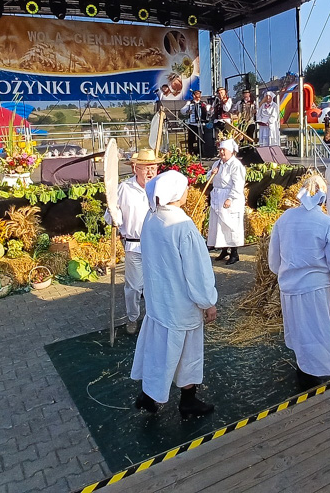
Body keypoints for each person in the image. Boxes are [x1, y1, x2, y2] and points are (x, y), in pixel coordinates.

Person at [131, 170, 218, 417]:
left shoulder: (151, 217)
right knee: (187, 353)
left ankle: (148, 396)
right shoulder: (182, 226)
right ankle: (187, 401)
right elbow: (198, 271)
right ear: (176, 193)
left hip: (159, 301)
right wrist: (208, 302)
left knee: (159, 350)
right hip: (182, 305)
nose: (187, 192)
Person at [268, 175, 330, 389]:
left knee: (299, 329)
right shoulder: (325, 222)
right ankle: (311, 376)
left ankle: (303, 368)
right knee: (317, 331)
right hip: (315, 288)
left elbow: (274, 256)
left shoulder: (285, 218)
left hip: (290, 288)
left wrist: (283, 273)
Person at [104, 148, 162, 334]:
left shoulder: (161, 187)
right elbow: (110, 214)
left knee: (158, 284)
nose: (150, 171)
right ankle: (132, 318)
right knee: (135, 287)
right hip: (134, 245)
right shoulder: (124, 188)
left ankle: (157, 316)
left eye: (153, 167)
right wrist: (115, 217)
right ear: (136, 168)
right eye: (146, 167)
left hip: (158, 245)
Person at [207, 138, 246, 265]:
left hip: (229, 196)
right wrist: (211, 173)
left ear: (231, 151)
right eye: (220, 150)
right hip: (217, 196)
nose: (221, 152)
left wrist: (230, 198)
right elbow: (210, 178)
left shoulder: (235, 165)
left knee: (230, 225)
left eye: (224, 150)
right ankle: (224, 250)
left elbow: (238, 184)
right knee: (219, 224)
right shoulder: (217, 163)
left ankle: (234, 253)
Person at [180, 89, 209, 156]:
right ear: (193, 95)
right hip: (192, 124)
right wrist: (188, 111)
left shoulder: (203, 103)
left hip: (200, 124)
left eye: (199, 94)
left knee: (201, 139)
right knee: (191, 139)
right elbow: (182, 111)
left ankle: (200, 152)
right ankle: (191, 153)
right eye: (197, 94)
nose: (199, 95)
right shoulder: (190, 103)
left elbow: (207, 111)